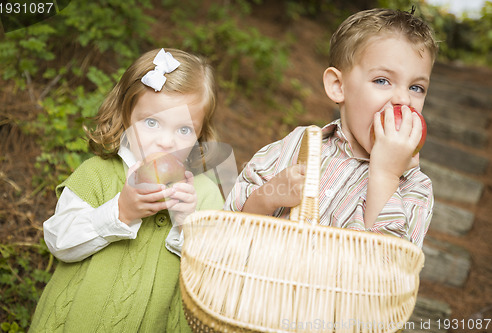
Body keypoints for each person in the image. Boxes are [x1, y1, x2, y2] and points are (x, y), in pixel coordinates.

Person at [30, 48, 223, 332]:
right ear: (125, 116)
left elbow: (216, 277)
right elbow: (59, 241)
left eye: (184, 130)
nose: (166, 142)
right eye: (152, 123)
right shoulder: (97, 174)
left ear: (200, 135)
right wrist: (120, 212)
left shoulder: (204, 194)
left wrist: (187, 226)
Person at [224, 8, 437, 248]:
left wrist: (386, 174)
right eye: (382, 81)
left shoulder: (415, 189)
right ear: (338, 86)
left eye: (416, 88)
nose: (404, 100)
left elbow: (388, 271)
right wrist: (269, 196)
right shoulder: (298, 145)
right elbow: (228, 222)